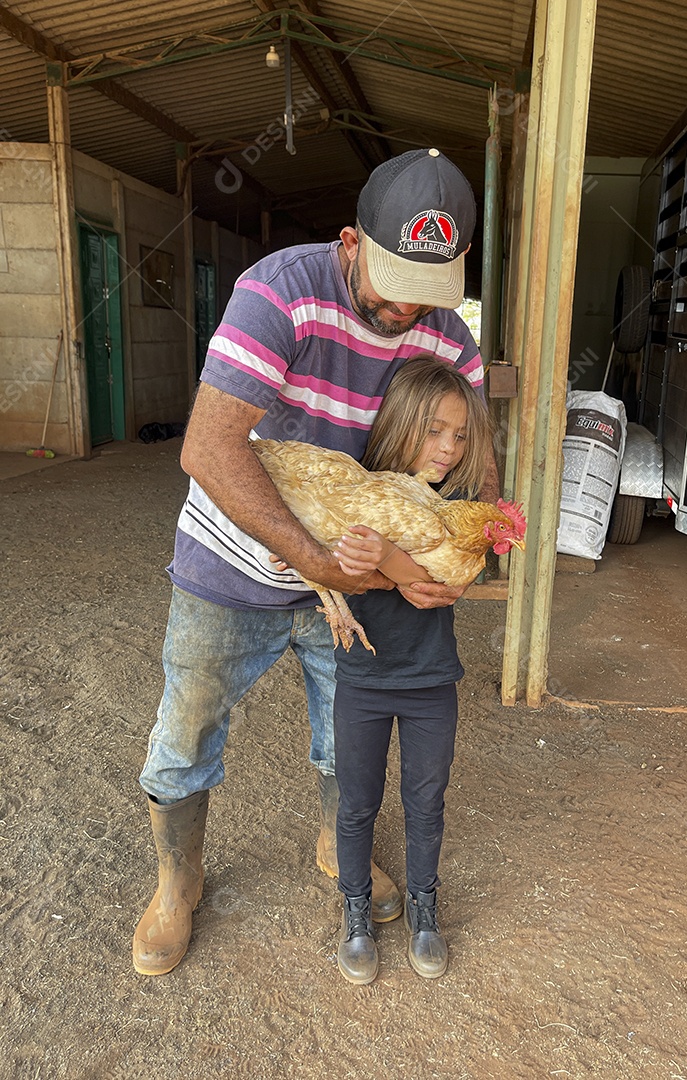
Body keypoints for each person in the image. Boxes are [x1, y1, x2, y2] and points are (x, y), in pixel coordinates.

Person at [132, 147, 500, 976]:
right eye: (394, 277)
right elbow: (210, 447)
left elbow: (477, 463)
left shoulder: (447, 335)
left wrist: (438, 554)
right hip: (236, 565)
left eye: (431, 286)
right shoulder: (280, 291)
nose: (411, 305)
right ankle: (176, 883)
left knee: (349, 735)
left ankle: (341, 851)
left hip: (363, 573)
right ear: (349, 241)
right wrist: (318, 564)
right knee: (187, 728)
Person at [328, 357, 493, 985]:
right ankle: (355, 908)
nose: (448, 448)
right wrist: (364, 559)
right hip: (363, 681)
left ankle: (425, 906)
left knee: (426, 800)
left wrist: (391, 559)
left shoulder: (454, 512)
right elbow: (322, 563)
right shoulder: (359, 494)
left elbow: (435, 584)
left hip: (431, 683)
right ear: (400, 423)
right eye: (434, 431)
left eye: (460, 436)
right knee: (356, 803)